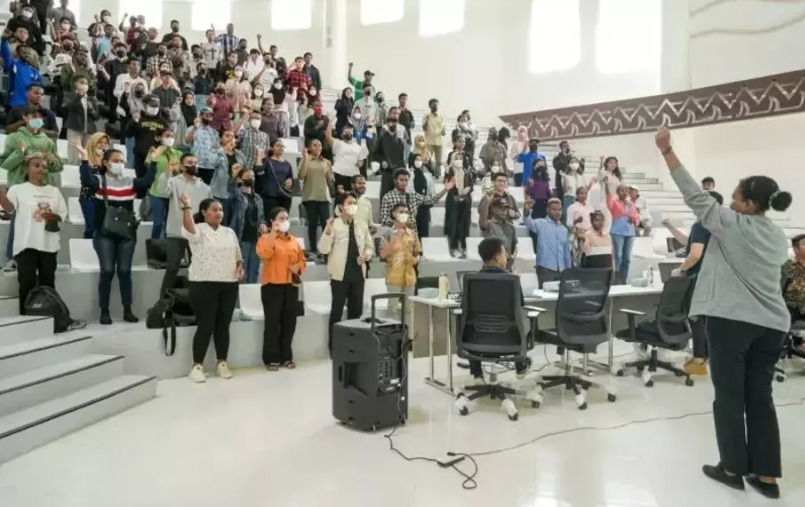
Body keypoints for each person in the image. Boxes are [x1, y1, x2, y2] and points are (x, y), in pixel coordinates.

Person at [656, 127, 792, 499]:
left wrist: (667, 151)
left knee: (730, 397)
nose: (729, 201)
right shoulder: (777, 236)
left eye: (735, 196)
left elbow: (693, 194)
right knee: (760, 398)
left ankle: (732, 468)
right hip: (773, 326)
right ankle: (767, 477)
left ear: (748, 204)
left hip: (732, 323)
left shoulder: (730, 223)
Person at [75, 143, 156, 324]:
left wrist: (154, 162)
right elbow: (87, 180)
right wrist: (84, 160)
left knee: (125, 271)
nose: (119, 164)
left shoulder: (130, 181)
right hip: (104, 232)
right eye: (115, 160)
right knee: (107, 270)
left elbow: (146, 182)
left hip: (127, 233)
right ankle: (104, 311)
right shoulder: (98, 180)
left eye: (121, 161)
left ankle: (127, 309)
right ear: (106, 163)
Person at [181, 196, 243, 383]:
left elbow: (237, 254)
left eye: (221, 210)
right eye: (215, 210)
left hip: (228, 283)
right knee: (206, 325)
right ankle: (197, 366)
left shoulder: (229, 232)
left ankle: (222, 363)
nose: (219, 213)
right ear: (204, 212)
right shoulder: (198, 229)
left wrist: (240, 265)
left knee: (223, 325)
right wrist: (186, 206)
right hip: (203, 283)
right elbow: (189, 227)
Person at [662, 190, 724, 374]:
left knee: (696, 318)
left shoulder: (701, 225)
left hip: (699, 278)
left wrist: (680, 269)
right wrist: (671, 227)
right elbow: (690, 243)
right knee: (709, 319)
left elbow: (695, 254)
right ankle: (709, 355)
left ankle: (698, 360)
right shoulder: (720, 226)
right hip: (718, 278)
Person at [0, 155, 67, 315]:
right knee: (26, 285)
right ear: (27, 169)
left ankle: (49, 319)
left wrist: (53, 217)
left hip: (49, 245)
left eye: (44, 167)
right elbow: (9, 210)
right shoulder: (18, 189)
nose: (41, 169)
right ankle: (26, 319)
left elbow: (62, 215)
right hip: (26, 245)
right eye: (36, 166)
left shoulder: (54, 191)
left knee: (48, 285)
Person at [0, 107, 63, 273]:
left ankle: (40, 257)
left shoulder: (48, 141)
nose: (38, 119)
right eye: (34, 116)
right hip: (20, 186)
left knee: (40, 223)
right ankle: (13, 258)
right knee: (17, 224)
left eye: (40, 117)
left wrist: (51, 161)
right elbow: (4, 164)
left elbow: (58, 167)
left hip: (42, 188)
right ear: (25, 117)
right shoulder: (14, 138)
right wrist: (20, 154)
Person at [467, 237, 532, 380]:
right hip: (508, 340)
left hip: (476, 340)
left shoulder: (471, 281)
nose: (506, 256)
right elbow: (520, 305)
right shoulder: (512, 280)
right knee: (523, 318)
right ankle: (520, 365)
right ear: (497, 258)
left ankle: (476, 373)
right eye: (504, 253)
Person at [319, 192, 374, 352]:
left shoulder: (362, 224)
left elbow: (370, 247)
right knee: (336, 312)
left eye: (354, 203)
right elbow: (323, 249)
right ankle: (335, 348)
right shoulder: (334, 224)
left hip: (358, 274)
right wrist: (328, 231)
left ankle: (353, 347)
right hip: (339, 276)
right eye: (349, 203)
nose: (353, 206)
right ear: (341, 206)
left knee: (356, 312)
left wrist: (366, 256)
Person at [256, 207, 305, 370]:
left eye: (286, 218)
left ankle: (286, 356)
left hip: (291, 285)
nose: (285, 221)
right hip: (272, 286)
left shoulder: (294, 240)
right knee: (272, 323)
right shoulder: (265, 238)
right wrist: (272, 233)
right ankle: (271, 358)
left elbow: (302, 261)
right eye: (281, 218)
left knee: (289, 322)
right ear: (272, 221)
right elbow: (265, 254)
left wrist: (298, 267)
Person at [379, 203, 421, 325]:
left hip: (410, 277)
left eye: (406, 212)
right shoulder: (387, 234)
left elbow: (418, 253)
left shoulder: (412, 233)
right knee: (393, 308)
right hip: (394, 276)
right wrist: (393, 241)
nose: (404, 214)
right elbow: (382, 254)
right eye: (401, 212)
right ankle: (392, 334)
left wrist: (416, 259)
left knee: (409, 309)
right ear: (394, 214)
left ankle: (408, 334)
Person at [380, 168, 454, 236]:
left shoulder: (413, 195)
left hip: (412, 238)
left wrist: (445, 190)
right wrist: (399, 223)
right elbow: (384, 219)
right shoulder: (388, 197)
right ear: (395, 180)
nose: (404, 183)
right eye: (401, 180)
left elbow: (431, 200)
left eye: (406, 180)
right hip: (395, 238)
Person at [230, 167, 267, 284]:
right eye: (247, 176)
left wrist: (262, 224)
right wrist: (234, 178)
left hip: (256, 238)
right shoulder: (237, 196)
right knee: (243, 270)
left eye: (252, 176)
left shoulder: (258, 198)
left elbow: (261, 216)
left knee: (254, 270)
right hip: (242, 237)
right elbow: (229, 190)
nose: (251, 179)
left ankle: (253, 292)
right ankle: (242, 293)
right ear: (240, 179)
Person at [524, 198, 572, 288]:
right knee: (545, 294)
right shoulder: (541, 223)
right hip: (545, 269)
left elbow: (566, 252)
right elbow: (528, 223)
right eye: (554, 209)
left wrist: (568, 270)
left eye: (559, 210)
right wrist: (527, 211)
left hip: (562, 270)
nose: (557, 212)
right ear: (547, 210)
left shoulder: (564, 230)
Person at [146, 129, 184, 239]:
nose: (170, 138)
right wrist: (156, 155)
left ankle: (167, 246)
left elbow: (182, 173)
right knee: (158, 223)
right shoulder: (154, 151)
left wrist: (174, 169)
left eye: (172, 136)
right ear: (160, 138)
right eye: (167, 135)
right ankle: (154, 245)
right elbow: (149, 169)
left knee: (170, 224)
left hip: (173, 192)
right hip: (157, 191)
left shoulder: (178, 154)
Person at [299, 140, 332, 256]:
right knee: (312, 224)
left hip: (324, 197)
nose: (318, 147)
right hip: (310, 197)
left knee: (325, 225)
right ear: (309, 148)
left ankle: (325, 250)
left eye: (320, 145)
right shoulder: (305, 160)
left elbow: (329, 181)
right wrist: (305, 158)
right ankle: (313, 249)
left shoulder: (326, 162)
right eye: (315, 145)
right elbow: (301, 176)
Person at [128, 94, 168, 184]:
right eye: (152, 105)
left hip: (157, 157)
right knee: (141, 181)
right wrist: (134, 122)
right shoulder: (138, 119)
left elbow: (168, 138)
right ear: (144, 105)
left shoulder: (163, 121)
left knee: (155, 181)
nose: (154, 108)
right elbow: (128, 134)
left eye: (156, 105)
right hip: (140, 156)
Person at [209, 130, 245, 226]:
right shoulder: (216, 152)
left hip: (235, 192)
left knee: (232, 222)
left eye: (232, 136)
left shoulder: (239, 154)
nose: (230, 138)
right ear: (221, 139)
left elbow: (245, 169)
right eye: (227, 136)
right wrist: (223, 150)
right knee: (218, 222)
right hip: (219, 192)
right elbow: (212, 163)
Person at [606, 184, 640, 283]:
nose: (624, 192)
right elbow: (609, 201)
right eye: (621, 190)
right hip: (618, 232)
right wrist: (607, 187)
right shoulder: (615, 203)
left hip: (629, 233)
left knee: (627, 258)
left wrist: (633, 219)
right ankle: (617, 278)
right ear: (617, 192)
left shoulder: (630, 204)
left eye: (625, 190)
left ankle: (624, 278)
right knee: (618, 256)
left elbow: (636, 216)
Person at [1, 31, 43, 110]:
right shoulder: (14, 64)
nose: (27, 54)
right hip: (13, 104)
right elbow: (6, 55)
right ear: (18, 54)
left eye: (29, 52)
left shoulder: (35, 71)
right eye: (23, 52)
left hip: (28, 106)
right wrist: (4, 41)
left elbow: (40, 87)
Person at [65, 75, 100, 164]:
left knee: (86, 157)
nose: (84, 85)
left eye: (86, 83)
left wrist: (91, 109)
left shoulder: (92, 99)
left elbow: (96, 117)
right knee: (74, 156)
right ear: (75, 84)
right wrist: (79, 96)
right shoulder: (70, 95)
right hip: (75, 129)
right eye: (81, 82)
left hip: (89, 131)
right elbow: (69, 107)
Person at [479, 192, 517, 271]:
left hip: (507, 266)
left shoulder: (511, 227)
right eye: (501, 208)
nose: (504, 211)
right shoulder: (489, 225)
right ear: (493, 209)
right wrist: (487, 202)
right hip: (492, 266)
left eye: (505, 209)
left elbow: (513, 246)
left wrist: (510, 258)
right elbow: (482, 223)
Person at [255, 139, 294, 217]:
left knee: (282, 219)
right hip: (269, 196)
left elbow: (290, 177)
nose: (280, 147)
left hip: (284, 197)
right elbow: (258, 171)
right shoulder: (267, 161)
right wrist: (259, 155)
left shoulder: (287, 164)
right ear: (271, 148)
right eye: (277, 145)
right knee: (269, 219)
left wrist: (290, 180)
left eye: (282, 146)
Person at [444, 155, 474, 258]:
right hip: (453, 200)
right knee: (454, 224)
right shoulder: (449, 172)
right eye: (456, 158)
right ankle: (454, 248)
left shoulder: (466, 172)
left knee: (465, 224)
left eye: (460, 158)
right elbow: (447, 185)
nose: (459, 160)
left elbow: (471, 184)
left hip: (465, 201)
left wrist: (468, 189)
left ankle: (464, 247)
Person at [327, 123, 368, 194]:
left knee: (353, 196)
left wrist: (359, 164)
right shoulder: (338, 143)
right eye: (346, 131)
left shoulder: (357, 147)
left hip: (354, 175)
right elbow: (328, 137)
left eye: (350, 131)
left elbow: (361, 161)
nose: (348, 132)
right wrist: (329, 125)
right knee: (340, 196)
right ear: (342, 134)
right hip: (340, 174)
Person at [373, 115, 407, 200]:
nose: (393, 124)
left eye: (395, 122)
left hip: (398, 172)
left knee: (398, 196)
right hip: (387, 171)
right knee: (385, 194)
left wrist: (404, 171)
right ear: (387, 124)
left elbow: (401, 158)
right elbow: (375, 154)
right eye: (391, 122)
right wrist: (382, 161)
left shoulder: (399, 141)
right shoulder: (382, 138)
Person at [185, 106, 220, 185]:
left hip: (210, 166)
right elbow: (187, 141)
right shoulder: (192, 128)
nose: (209, 118)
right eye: (206, 115)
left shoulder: (214, 132)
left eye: (211, 116)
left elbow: (217, 148)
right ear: (200, 116)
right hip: (196, 165)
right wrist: (195, 127)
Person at [410, 152, 436, 240]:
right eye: (417, 159)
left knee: (424, 234)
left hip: (424, 207)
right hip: (412, 207)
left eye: (421, 160)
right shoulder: (409, 175)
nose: (419, 161)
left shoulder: (426, 176)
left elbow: (431, 190)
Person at [782, 234, 805, 325]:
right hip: (791, 306)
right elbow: (778, 288)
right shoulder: (787, 267)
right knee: (781, 320)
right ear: (796, 249)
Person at [422, 99, 445, 177]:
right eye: (433, 104)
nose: (435, 106)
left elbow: (443, 130)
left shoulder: (441, 116)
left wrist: (443, 131)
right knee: (427, 159)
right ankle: (428, 175)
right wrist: (426, 120)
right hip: (429, 141)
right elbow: (424, 128)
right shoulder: (426, 116)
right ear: (430, 106)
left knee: (439, 161)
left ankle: (437, 176)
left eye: (437, 104)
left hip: (439, 141)